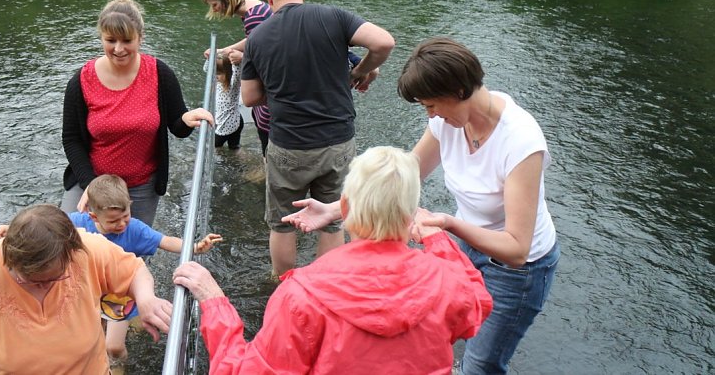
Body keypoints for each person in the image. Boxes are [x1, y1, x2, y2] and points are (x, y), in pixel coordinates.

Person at [284, 37, 560, 375]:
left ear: (458, 90)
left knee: (480, 363)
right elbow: (399, 180)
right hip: (469, 248)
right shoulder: (448, 123)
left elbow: (517, 247)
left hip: (519, 269)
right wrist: (336, 209)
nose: (430, 115)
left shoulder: (520, 141)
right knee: (449, 338)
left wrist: (448, 223)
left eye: (431, 105)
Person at [173, 146, 493, 375]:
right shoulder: (446, 280)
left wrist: (215, 304)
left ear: (345, 207)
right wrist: (437, 239)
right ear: (411, 214)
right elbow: (476, 304)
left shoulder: (303, 294)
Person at [241, 0, 395, 276]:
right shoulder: (333, 17)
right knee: (332, 219)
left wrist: (281, 88)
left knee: (283, 223)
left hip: (289, 147)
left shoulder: (258, 38)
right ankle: (326, 287)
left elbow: (249, 97)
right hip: (338, 142)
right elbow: (384, 43)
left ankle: (287, 289)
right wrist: (359, 72)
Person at [0, 175, 223, 372]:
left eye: (126, 215)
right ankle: (122, 332)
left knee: (112, 346)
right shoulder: (76, 224)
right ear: (94, 217)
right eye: (114, 221)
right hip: (89, 293)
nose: (122, 224)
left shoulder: (134, 228)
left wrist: (193, 247)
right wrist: (14, 231)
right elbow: (44, 226)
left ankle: (118, 363)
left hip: (119, 296)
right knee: (90, 336)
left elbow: (164, 241)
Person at [0, 204, 172, 375]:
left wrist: (146, 298)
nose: (44, 287)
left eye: (54, 279)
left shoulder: (87, 249)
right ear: (9, 260)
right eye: (33, 281)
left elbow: (134, 270)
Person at [61, 0, 214, 227]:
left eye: (126, 40)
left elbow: (177, 125)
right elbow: (71, 139)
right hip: (91, 184)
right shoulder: (81, 81)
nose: (118, 49)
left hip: (141, 187)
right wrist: (91, 184)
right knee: (70, 246)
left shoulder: (159, 74)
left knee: (131, 256)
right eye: (110, 40)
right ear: (101, 38)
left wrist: (186, 118)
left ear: (140, 38)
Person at [201, 0, 273, 155]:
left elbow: (267, 53)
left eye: (215, 5)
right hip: (268, 89)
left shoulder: (253, 18)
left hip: (270, 90)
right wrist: (223, 51)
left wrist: (243, 57)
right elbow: (253, 40)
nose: (214, 10)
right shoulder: (255, 7)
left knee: (268, 145)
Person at [212, 52, 243, 150]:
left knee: (214, 147)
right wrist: (209, 58)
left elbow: (237, 73)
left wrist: (236, 63)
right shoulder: (218, 83)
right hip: (233, 121)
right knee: (234, 149)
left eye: (219, 73)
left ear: (229, 73)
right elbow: (207, 70)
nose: (216, 76)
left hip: (226, 126)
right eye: (215, 73)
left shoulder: (232, 86)